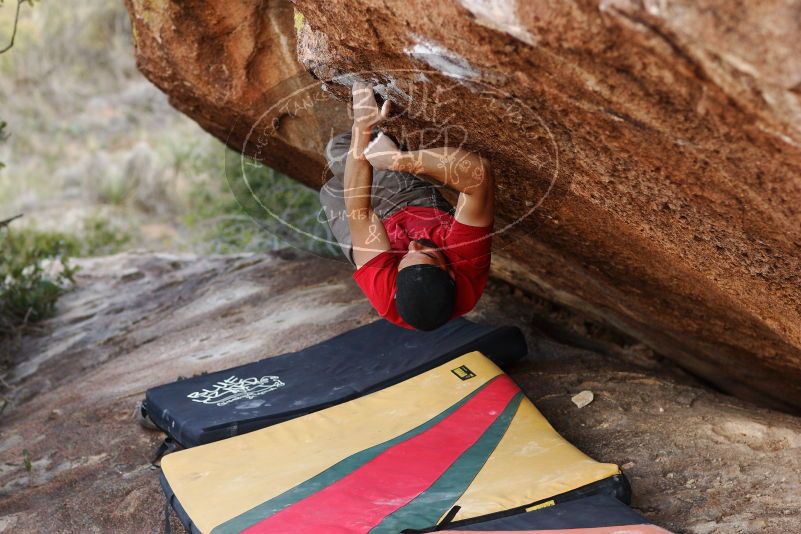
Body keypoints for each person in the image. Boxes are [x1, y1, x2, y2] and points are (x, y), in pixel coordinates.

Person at [319, 82, 494, 331]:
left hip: (374, 245)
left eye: (404, 259)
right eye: (428, 253)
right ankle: (387, 148)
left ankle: (368, 156)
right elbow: (479, 175)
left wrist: (362, 125)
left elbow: (360, 213)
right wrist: (400, 162)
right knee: (337, 150)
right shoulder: (467, 264)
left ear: (396, 285)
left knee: (329, 192)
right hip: (411, 206)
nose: (413, 245)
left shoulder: (383, 287)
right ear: (451, 273)